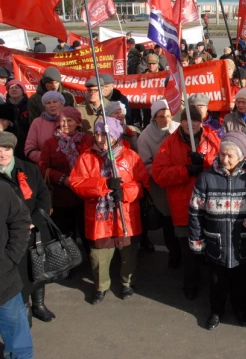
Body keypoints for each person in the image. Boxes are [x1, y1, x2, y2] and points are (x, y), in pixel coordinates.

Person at [189, 131, 246, 329]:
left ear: (241, 156)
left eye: (230, 155)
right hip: (216, 243)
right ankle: (216, 311)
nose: (224, 159)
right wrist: (197, 241)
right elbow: (195, 211)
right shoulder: (206, 178)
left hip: (243, 244)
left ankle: (241, 310)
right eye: (222, 154)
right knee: (217, 282)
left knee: (241, 282)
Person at [69, 117, 150, 304]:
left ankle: (127, 282)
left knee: (128, 254)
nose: (99, 139)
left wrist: (125, 192)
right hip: (99, 218)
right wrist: (103, 184)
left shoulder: (130, 157)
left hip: (125, 215)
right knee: (98, 256)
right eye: (97, 134)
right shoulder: (86, 158)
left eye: (104, 135)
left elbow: (144, 185)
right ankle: (101, 286)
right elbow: (76, 183)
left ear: (114, 136)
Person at [152, 106, 220, 300]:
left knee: (211, 246)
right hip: (183, 205)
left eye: (195, 121)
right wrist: (186, 170)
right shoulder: (169, 143)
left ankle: (213, 283)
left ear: (202, 121)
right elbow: (159, 174)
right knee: (188, 250)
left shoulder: (212, 139)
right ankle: (191, 283)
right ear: (180, 122)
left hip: (209, 205)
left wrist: (205, 163)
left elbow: (224, 167)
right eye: (186, 121)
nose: (191, 125)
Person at [0, 130, 57, 328]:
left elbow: (43, 196)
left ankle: (39, 304)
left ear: (12, 149)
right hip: (8, 237)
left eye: (6, 148)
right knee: (17, 275)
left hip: (35, 230)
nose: (2, 153)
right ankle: (23, 310)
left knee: (38, 269)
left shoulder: (29, 169)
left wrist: (33, 220)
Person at [38, 106, 94, 248]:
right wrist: (63, 179)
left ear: (77, 123)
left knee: (88, 234)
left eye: (70, 120)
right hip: (62, 197)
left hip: (85, 197)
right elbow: (43, 167)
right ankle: (67, 266)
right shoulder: (50, 142)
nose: (65, 124)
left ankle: (93, 264)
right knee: (65, 236)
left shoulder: (88, 140)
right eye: (62, 121)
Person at [137, 99, 182, 268]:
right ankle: (174, 254)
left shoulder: (178, 128)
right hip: (160, 186)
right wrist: (163, 174)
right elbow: (145, 164)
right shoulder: (145, 137)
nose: (166, 120)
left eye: (168, 116)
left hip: (180, 182)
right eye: (161, 116)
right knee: (168, 222)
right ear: (154, 117)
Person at [0, 179, 33, 359]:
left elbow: (21, 221)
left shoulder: (2, 189)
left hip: (4, 283)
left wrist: (11, 257)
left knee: (19, 347)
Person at [24, 91, 65, 164]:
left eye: (55, 102)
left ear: (62, 104)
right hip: (44, 166)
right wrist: (46, 158)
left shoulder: (70, 120)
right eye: (48, 103)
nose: (52, 105)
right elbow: (29, 149)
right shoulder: (37, 122)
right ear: (45, 107)